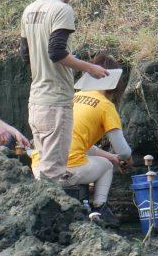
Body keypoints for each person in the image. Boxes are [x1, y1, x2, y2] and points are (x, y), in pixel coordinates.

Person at [20, 0, 108, 183]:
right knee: (54, 175)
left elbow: (25, 54)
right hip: (56, 102)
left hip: (36, 102)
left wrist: (65, 62)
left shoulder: (30, 10)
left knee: (42, 167)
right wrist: (90, 68)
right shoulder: (62, 10)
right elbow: (57, 52)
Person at [54, 54, 133, 225]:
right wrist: (123, 159)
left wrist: (111, 156)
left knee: (104, 160)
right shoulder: (105, 105)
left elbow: (79, 144)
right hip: (67, 170)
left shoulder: (72, 97)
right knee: (105, 166)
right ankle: (100, 208)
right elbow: (124, 151)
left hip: (42, 166)